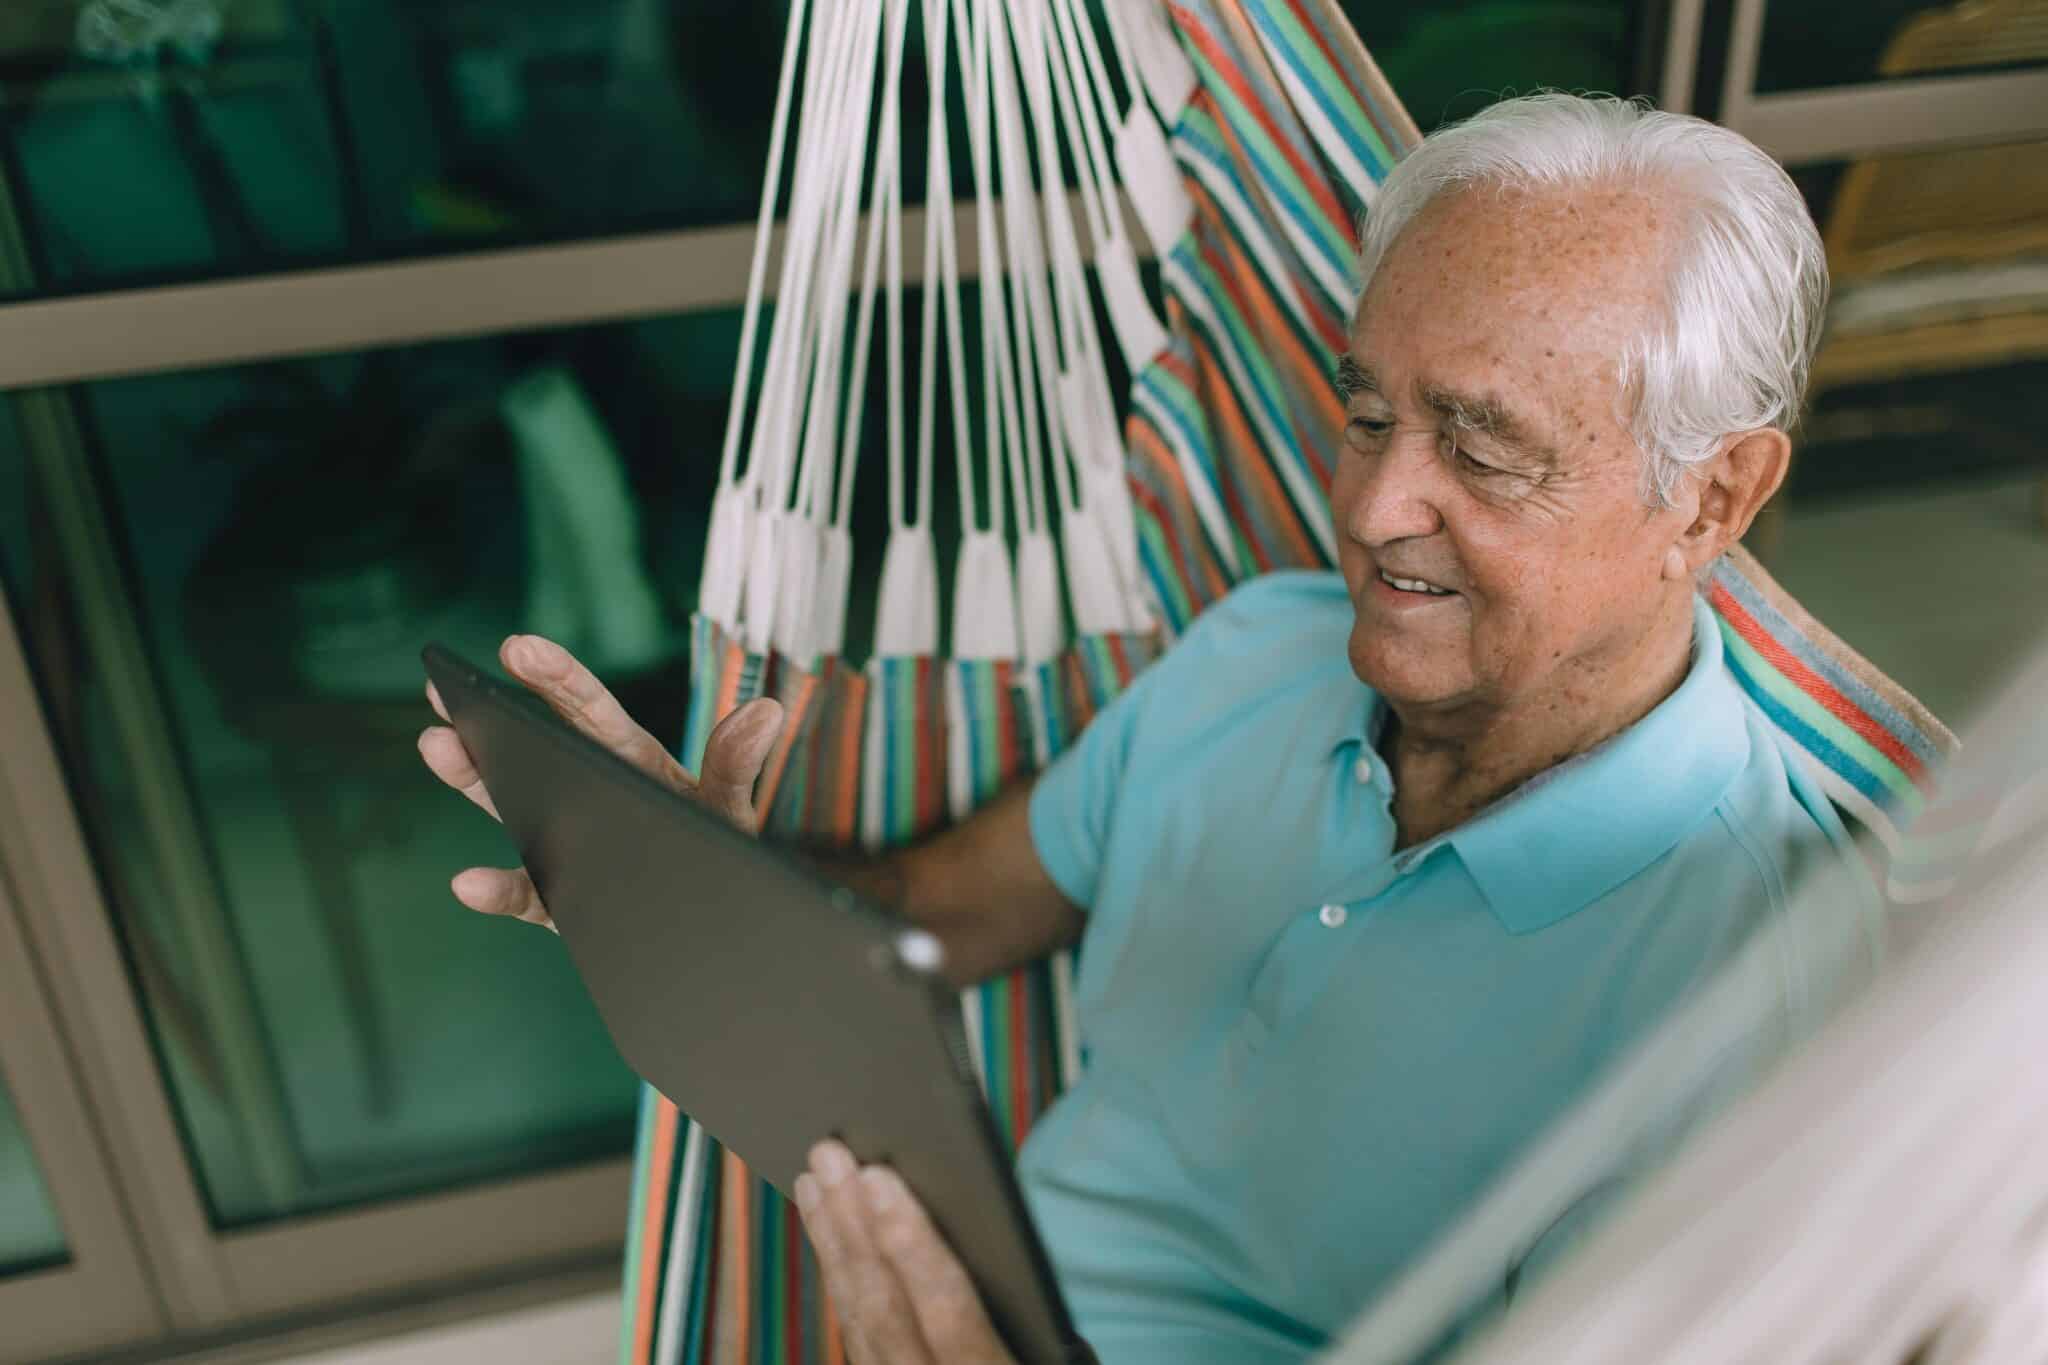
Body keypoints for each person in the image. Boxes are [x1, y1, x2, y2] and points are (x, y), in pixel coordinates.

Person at [420, 93, 1882, 1364]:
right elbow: (931, 918)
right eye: (1368, 416)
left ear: (1715, 496)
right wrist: (687, 879)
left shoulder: (1750, 978)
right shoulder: (1262, 651)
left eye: (1483, 448)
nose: (1373, 511)